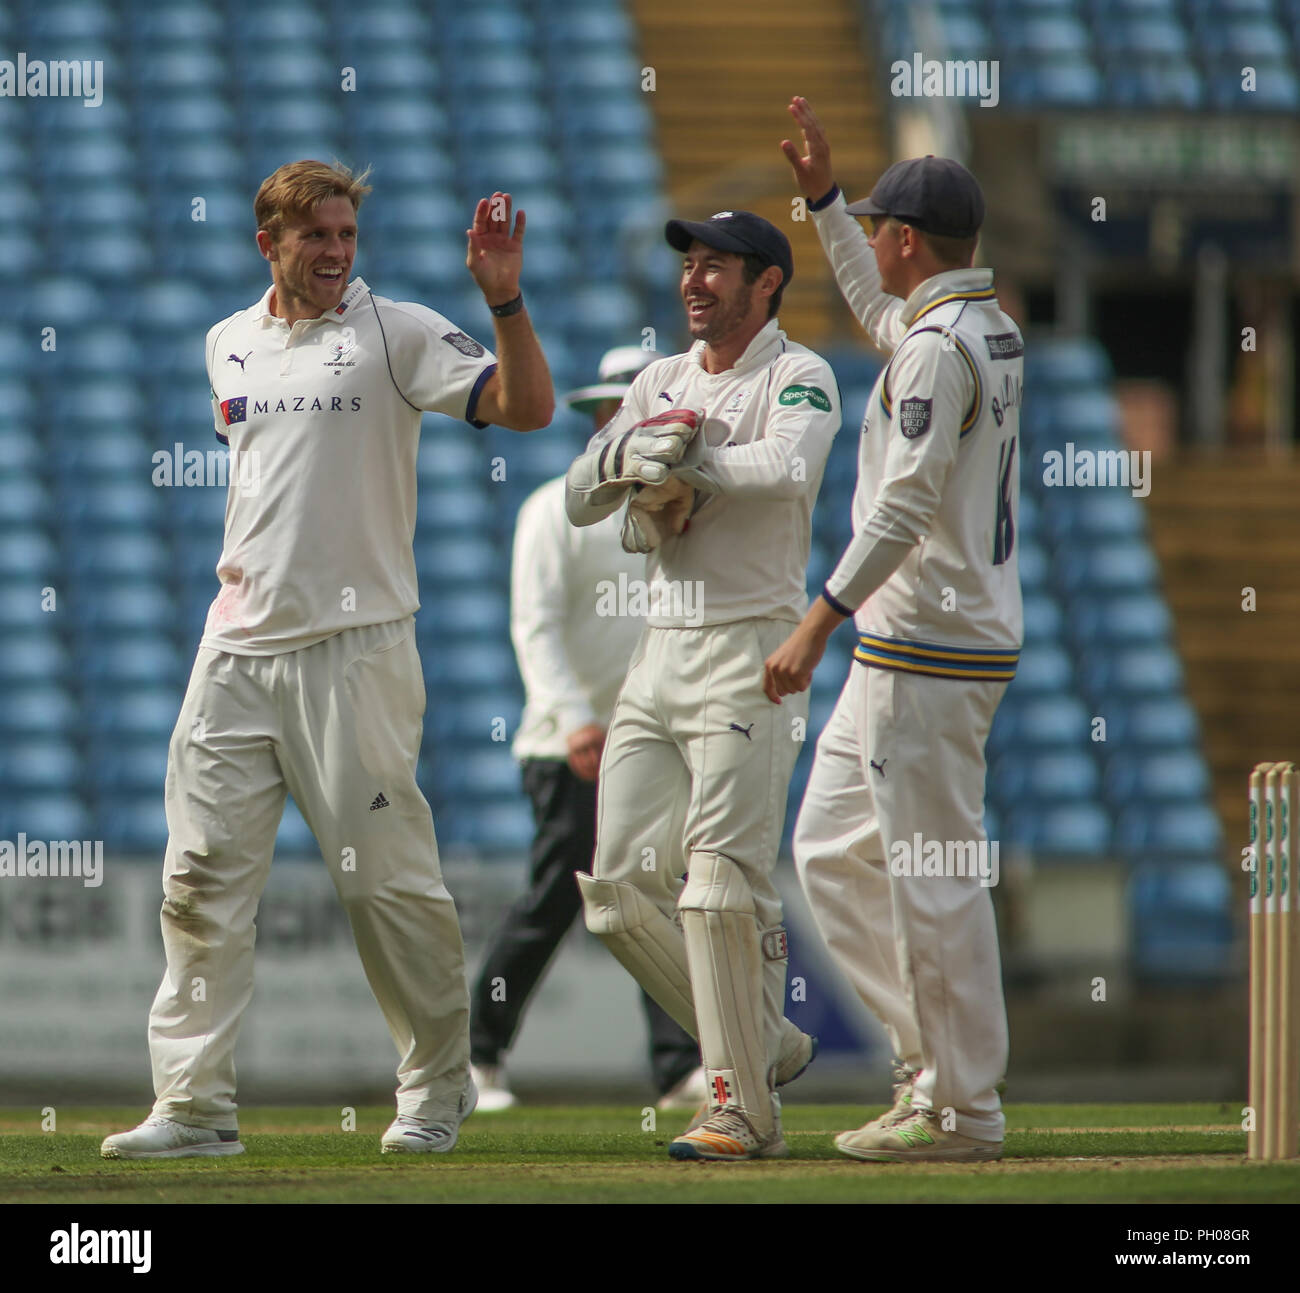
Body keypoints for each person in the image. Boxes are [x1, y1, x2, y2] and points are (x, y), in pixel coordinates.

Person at [101, 162, 554, 1160]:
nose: (338, 255)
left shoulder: (395, 332)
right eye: (317, 239)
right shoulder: (226, 343)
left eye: (348, 237)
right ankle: (195, 1106)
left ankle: (436, 1092)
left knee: (385, 890)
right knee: (199, 879)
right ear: (269, 243)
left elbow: (526, 410)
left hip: (357, 652)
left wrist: (505, 299)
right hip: (234, 648)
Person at [765, 97, 1022, 1162]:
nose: (870, 240)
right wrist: (825, 202)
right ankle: (928, 1065)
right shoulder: (974, 324)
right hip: (918, 641)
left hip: (926, 643)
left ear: (909, 241)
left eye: (876, 225)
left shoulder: (935, 350)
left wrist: (817, 619)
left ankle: (960, 1106)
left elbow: (903, 507)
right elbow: (881, 310)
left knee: (930, 867)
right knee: (829, 850)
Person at [566, 211, 833, 1161]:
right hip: (659, 649)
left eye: (717, 266)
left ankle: (740, 1108)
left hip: (749, 647)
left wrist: (689, 458)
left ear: (766, 283)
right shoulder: (656, 379)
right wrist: (631, 454)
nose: (695, 281)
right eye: (689, 265)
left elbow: (787, 466)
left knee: (719, 885)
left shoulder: (799, 373)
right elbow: (577, 492)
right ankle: (768, 1041)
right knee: (617, 888)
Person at [470, 345, 704, 1112]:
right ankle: (477, 1056)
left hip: (647, 737)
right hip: (568, 747)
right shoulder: (551, 511)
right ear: (602, 419)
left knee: (651, 898)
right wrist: (575, 721)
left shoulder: (676, 512)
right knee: (554, 901)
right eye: (621, 409)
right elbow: (533, 629)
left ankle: (677, 1068)